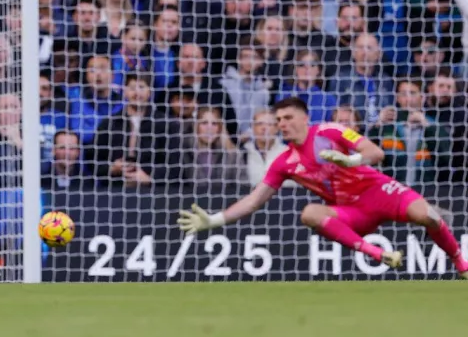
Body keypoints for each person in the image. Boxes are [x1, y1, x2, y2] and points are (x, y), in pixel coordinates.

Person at [178, 96, 468, 279]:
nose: (282, 124)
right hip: (351, 213)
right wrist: (214, 219)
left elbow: (376, 153)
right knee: (310, 213)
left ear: (305, 118)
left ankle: (460, 262)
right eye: (278, 120)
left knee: (429, 216)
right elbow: (254, 201)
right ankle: (378, 254)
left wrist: (348, 159)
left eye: (287, 118)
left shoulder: (331, 132)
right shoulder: (284, 162)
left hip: (378, 192)